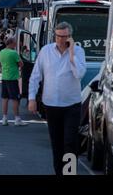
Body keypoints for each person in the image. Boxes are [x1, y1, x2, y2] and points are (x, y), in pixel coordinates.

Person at [28, 22, 86, 175]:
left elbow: (79, 74)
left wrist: (72, 54)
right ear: (55, 36)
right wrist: (32, 98)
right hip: (51, 105)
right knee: (57, 144)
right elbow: (35, 77)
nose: (61, 39)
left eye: (65, 36)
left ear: (70, 37)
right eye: (58, 36)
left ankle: (70, 173)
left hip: (71, 105)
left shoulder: (78, 52)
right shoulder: (46, 51)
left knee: (70, 143)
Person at [0, 37, 27, 126]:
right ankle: (17, 119)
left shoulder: (2, 52)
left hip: (4, 77)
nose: (16, 44)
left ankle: (4, 118)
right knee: (15, 99)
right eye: (15, 43)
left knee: (5, 99)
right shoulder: (14, 53)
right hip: (13, 78)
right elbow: (21, 64)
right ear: (11, 43)